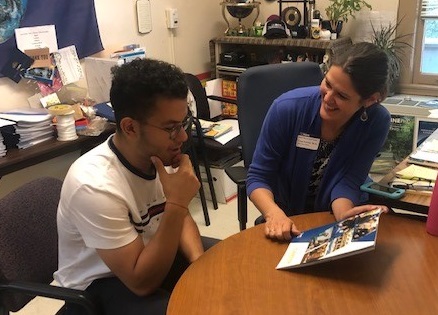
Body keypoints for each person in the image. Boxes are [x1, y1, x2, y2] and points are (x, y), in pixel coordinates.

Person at [54, 58, 219, 315]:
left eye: (183, 123)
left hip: (149, 254)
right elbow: (141, 283)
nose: (183, 137)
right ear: (130, 127)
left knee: (226, 269)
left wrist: (198, 263)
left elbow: (179, 218)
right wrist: (177, 203)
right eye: (172, 128)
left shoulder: (161, 153)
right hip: (101, 286)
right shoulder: (94, 184)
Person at [246, 42, 391, 241]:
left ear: (369, 100)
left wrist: (344, 215)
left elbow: (350, 179)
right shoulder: (287, 108)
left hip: (329, 217)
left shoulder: (377, 122)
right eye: (328, 83)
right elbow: (258, 176)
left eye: (341, 95)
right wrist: (274, 214)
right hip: (285, 214)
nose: (328, 98)